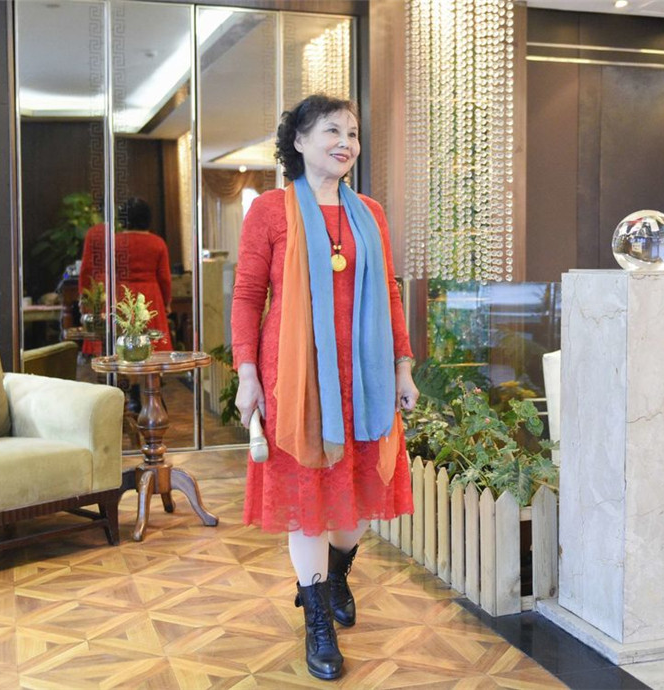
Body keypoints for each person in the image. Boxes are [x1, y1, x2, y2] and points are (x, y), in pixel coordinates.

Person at [231, 94, 419, 681]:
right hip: (296, 378)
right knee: (308, 504)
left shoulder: (370, 213)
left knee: (358, 500)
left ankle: (336, 573)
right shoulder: (270, 210)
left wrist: (403, 366)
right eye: (332, 131)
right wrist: (246, 375)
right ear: (299, 141)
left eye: (353, 134)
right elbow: (247, 296)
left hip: (364, 376)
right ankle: (317, 619)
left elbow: (389, 292)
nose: (346, 142)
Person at [79, 197, 173, 353]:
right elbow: (164, 278)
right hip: (151, 297)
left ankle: (124, 367)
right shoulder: (158, 243)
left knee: (122, 344)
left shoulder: (114, 242)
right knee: (153, 346)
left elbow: (103, 273)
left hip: (121, 295)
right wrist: (166, 302)